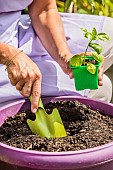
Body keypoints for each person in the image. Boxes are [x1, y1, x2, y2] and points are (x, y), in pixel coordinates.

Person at [0, 0, 112, 113]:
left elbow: (44, 9)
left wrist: (65, 56)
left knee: (110, 31)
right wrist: (9, 55)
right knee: (103, 89)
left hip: (14, 30)